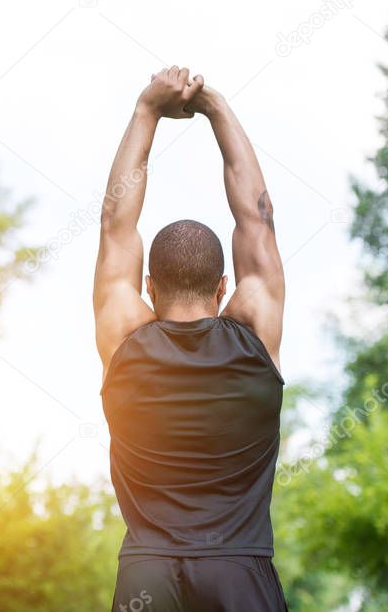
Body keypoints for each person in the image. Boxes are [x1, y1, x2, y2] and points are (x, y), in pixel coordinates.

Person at [93, 66, 288, 611]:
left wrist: (146, 111)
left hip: (147, 579)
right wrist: (216, 108)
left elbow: (115, 226)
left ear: (147, 288)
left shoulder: (125, 335)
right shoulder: (254, 331)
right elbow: (258, 220)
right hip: (239, 573)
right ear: (224, 286)